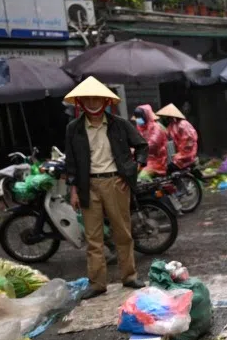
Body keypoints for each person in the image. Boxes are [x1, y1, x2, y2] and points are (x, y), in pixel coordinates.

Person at [63, 77, 148, 300]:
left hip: (116, 183)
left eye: (97, 98)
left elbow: (141, 146)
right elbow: (71, 162)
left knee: (123, 232)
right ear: (80, 102)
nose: (93, 102)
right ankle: (97, 283)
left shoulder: (120, 124)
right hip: (87, 185)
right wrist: (73, 190)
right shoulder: (74, 129)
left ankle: (129, 276)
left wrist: (132, 170)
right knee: (93, 237)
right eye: (88, 99)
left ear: (105, 100)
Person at [157, 103, 198, 170]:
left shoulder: (183, 124)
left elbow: (189, 141)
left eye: (166, 116)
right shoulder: (171, 126)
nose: (165, 118)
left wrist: (180, 155)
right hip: (176, 154)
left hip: (186, 155)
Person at [134, 105, 168, 180]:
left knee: (143, 177)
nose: (138, 120)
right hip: (144, 159)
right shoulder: (141, 128)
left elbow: (153, 144)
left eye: (140, 117)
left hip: (157, 160)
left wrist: (140, 148)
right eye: (137, 118)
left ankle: (153, 191)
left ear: (146, 117)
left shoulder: (156, 128)